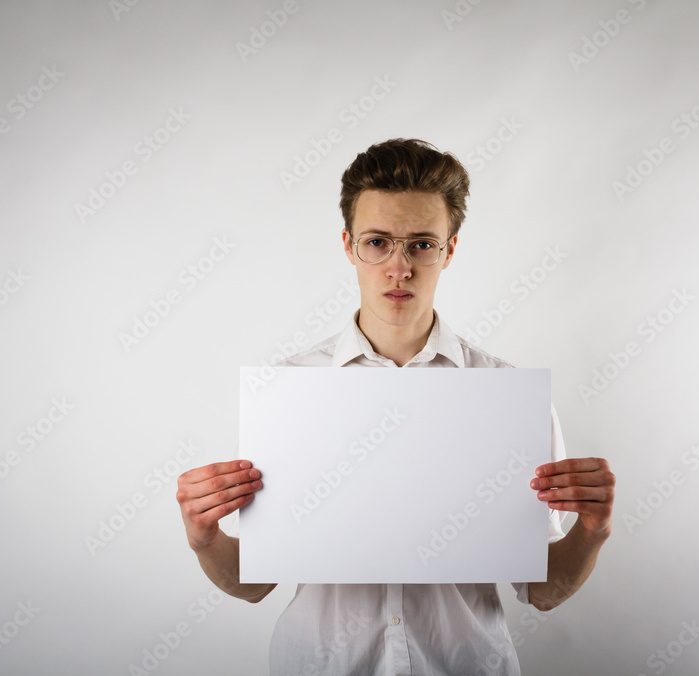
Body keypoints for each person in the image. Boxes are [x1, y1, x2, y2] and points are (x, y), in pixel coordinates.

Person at [175, 138, 616, 675]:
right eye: (378, 242)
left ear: (449, 250)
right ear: (349, 246)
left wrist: (591, 532)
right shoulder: (290, 391)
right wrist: (205, 539)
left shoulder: (506, 393)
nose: (399, 267)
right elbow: (254, 583)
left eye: (422, 244)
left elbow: (542, 590)